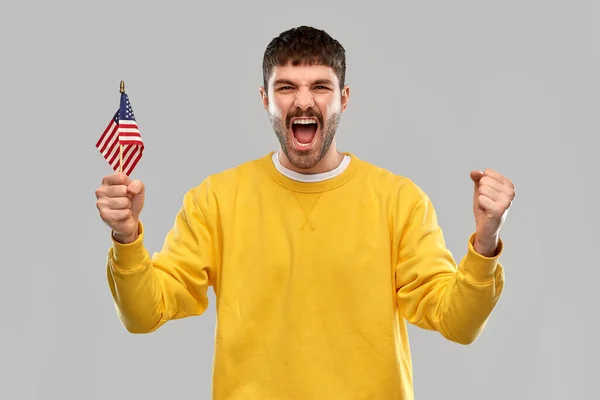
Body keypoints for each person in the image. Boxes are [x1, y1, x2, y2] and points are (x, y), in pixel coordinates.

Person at [95, 25, 515, 400]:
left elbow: (457, 324)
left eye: (320, 86)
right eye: (285, 87)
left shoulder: (400, 200)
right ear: (265, 100)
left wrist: (485, 240)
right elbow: (143, 315)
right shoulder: (216, 199)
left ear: (343, 99)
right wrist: (127, 238)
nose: (302, 102)